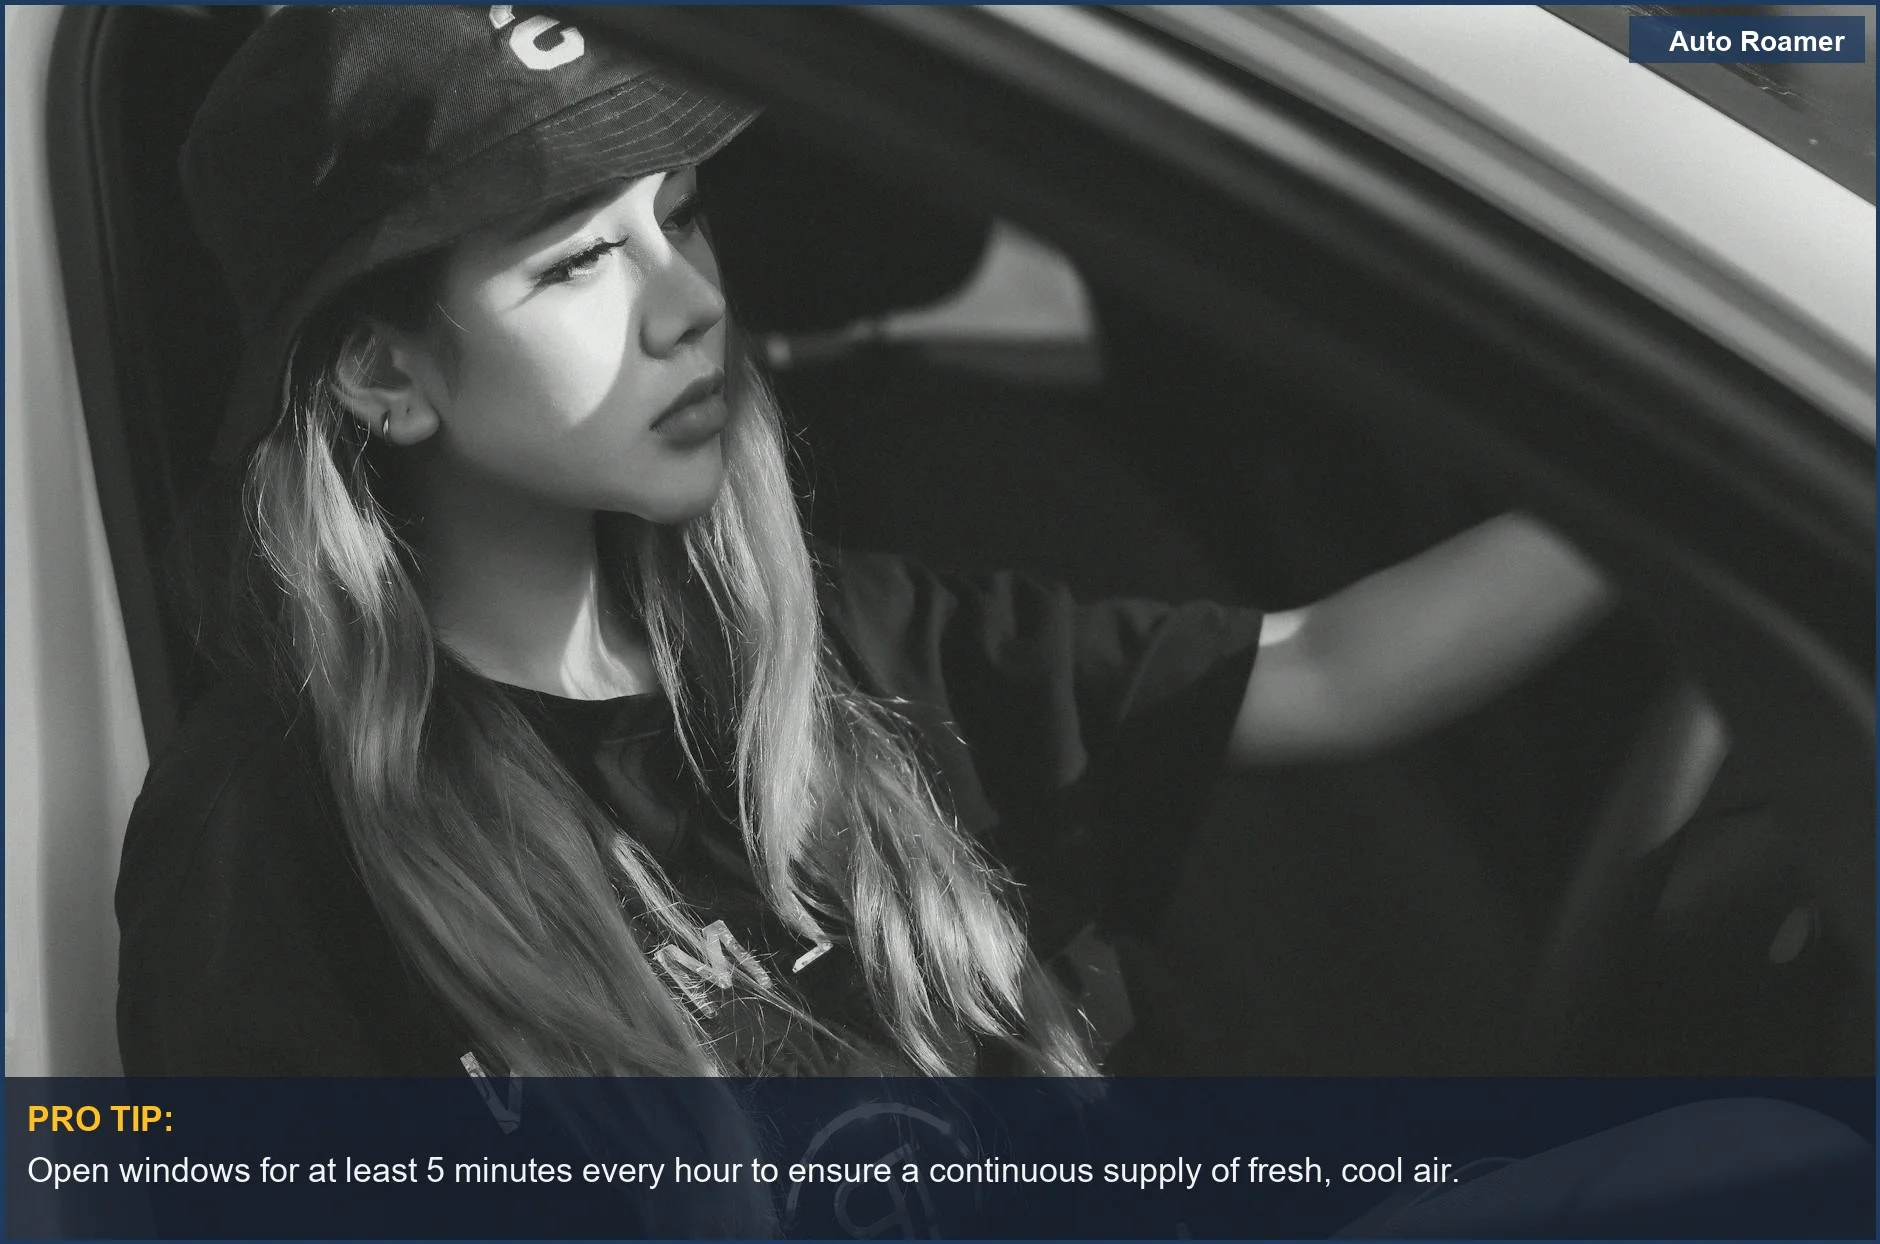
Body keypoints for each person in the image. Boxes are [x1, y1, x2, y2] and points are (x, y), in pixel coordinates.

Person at [115, 6, 1614, 1085]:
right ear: (382, 375)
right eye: (576, 262)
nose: (686, 297)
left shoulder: (839, 657)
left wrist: (1679, 487)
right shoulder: (271, 840)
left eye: (679, 215)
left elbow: (1334, 668)